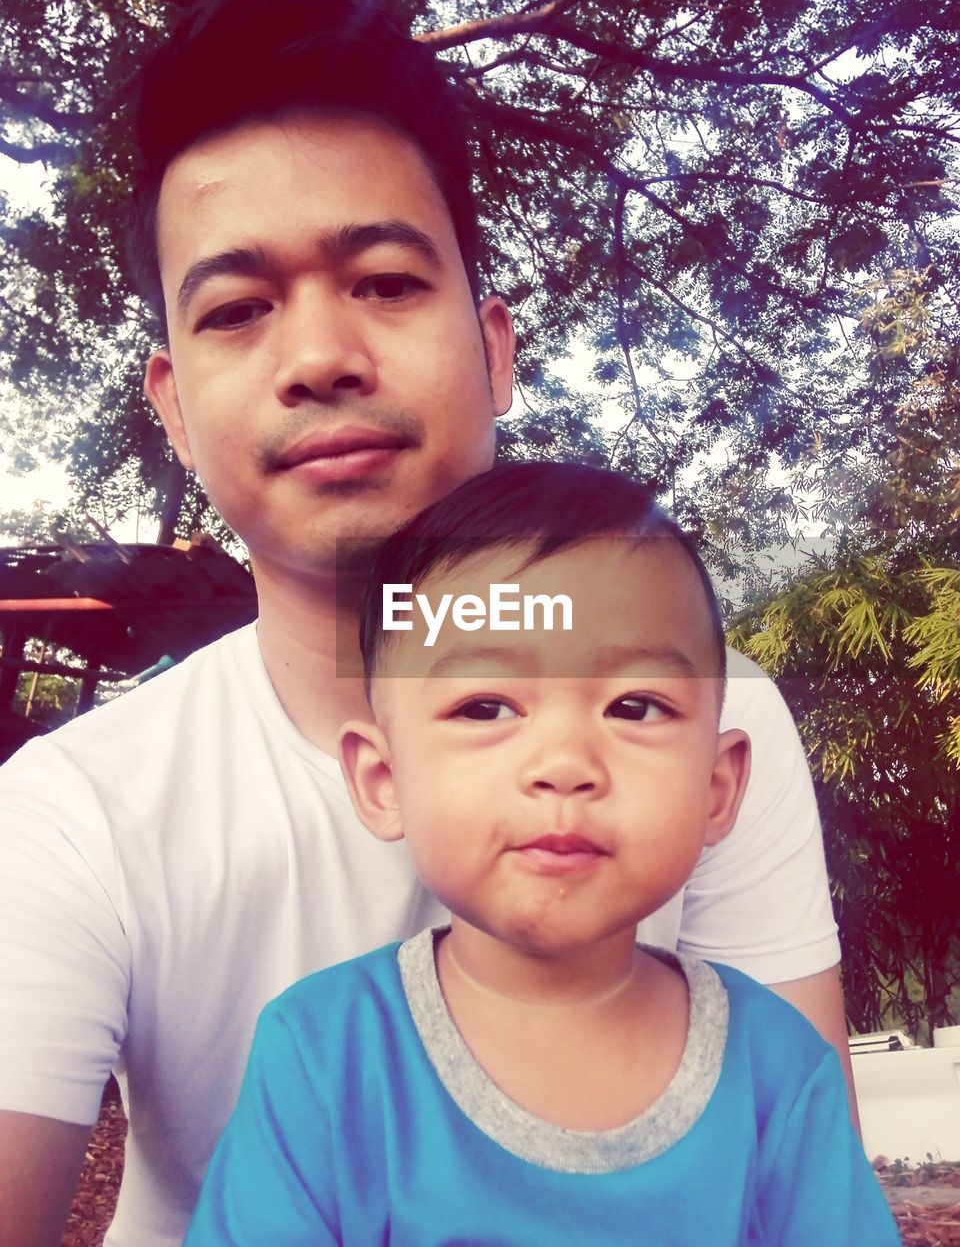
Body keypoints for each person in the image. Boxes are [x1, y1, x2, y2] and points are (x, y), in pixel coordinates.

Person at [0, 0, 851, 1247]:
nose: (320, 355)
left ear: (496, 347)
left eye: (388, 283)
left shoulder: (709, 725)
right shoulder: (78, 816)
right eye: (237, 309)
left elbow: (789, 1175)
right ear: (172, 410)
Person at [185, 462, 897, 1246]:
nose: (564, 761)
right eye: (485, 705)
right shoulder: (324, 1057)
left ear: (718, 787)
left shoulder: (777, 1070)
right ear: (384, 780)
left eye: (635, 705)